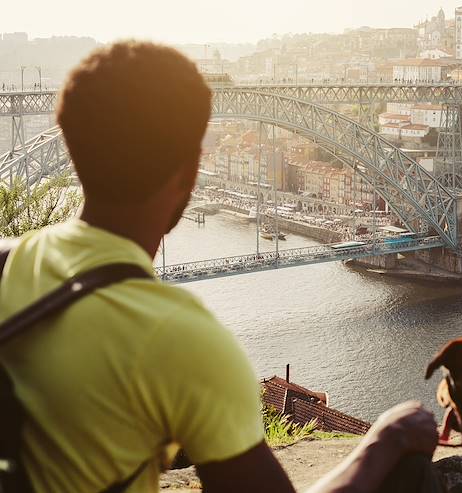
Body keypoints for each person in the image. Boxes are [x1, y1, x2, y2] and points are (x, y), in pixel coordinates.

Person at [0, 42, 439, 493]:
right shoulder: (181, 338)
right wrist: (383, 442)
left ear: (73, 153)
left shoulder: (5, 263)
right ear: (190, 172)